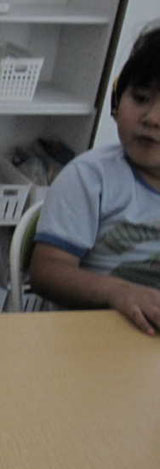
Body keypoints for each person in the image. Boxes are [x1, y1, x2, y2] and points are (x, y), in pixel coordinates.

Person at [30, 24, 160, 335]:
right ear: (116, 102)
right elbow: (46, 272)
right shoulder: (91, 177)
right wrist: (118, 292)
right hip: (85, 339)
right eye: (140, 98)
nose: (152, 118)